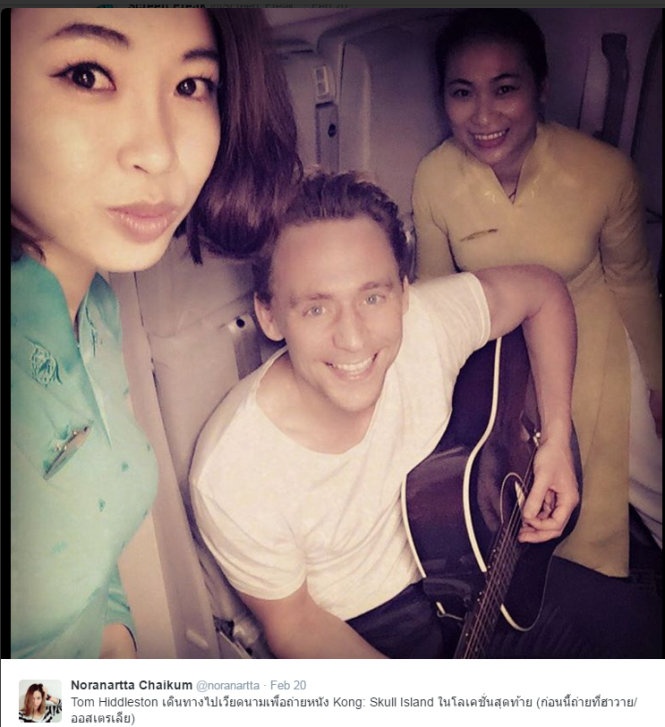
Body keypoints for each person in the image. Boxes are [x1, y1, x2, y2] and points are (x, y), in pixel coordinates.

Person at [190, 170, 594, 659]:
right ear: (269, 315)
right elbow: (296, 625)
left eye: (372, 297)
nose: (353, 338)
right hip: (363, 627)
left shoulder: (427, 323)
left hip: (472, 549)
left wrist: (555, 441)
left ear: (403, 294)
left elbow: (543, 292)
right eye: (317, 309)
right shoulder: (232, 473)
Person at [10, 7, 300, 659]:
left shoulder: (95, 304)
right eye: (87, 75)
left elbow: (87, 549)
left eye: (191, 85)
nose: (160, 151)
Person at [412, 8, 662, 579]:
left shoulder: (605, 172)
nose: (483, 116)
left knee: (647, 474)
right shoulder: (434, 178)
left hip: (597, 331)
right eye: (462, 92)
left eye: (505, 88)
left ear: (541, 87)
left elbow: (632, 280)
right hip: (501, 355)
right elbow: (435, 295)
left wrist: (658, 378)